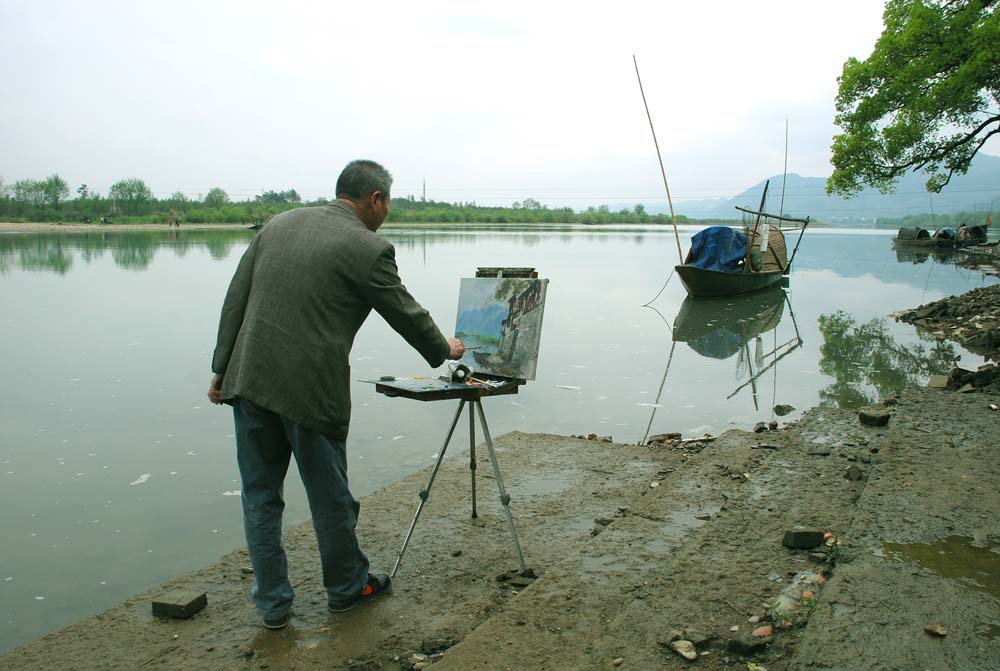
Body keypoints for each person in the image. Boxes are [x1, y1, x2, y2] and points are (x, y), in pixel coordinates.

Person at [207, 159, 464, 630]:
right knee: (330, 497)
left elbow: (235, 298)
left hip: (249, 379)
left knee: (260, 498)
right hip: (308, 392)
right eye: (387, 203)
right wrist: (443, 348)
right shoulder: (368, 248)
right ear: (376, 200)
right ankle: (347, 589)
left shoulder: (278, 224)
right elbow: (405, 312)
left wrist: (221, 368)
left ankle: (272, 607)